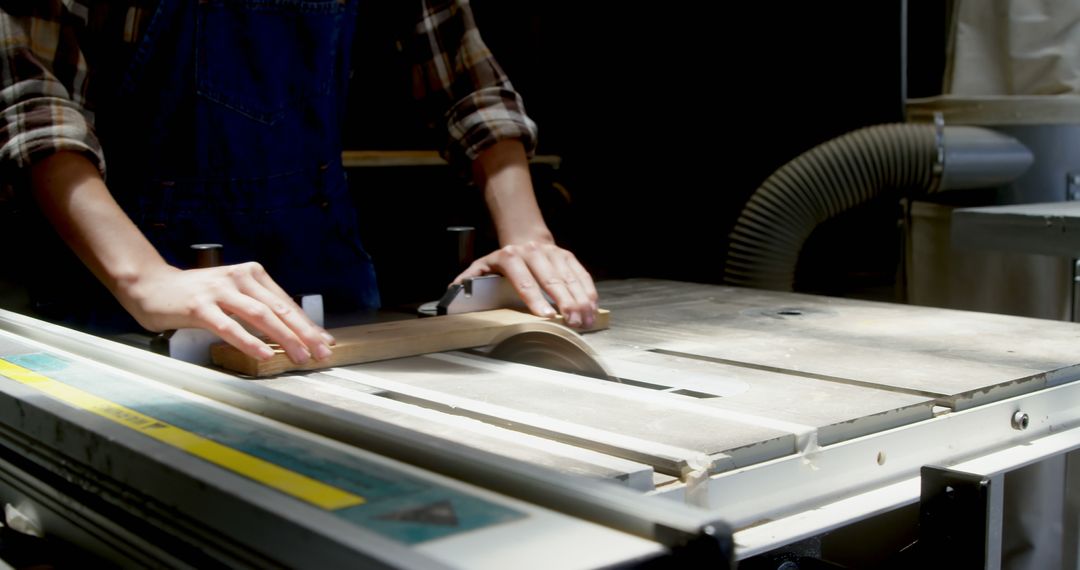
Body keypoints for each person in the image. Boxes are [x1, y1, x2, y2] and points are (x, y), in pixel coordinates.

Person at [0, 0, 598, 365]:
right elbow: (33, 98)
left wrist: (530, 240)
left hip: (323, 279)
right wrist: (144, 277)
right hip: (118, 293)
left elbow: (466, 80)